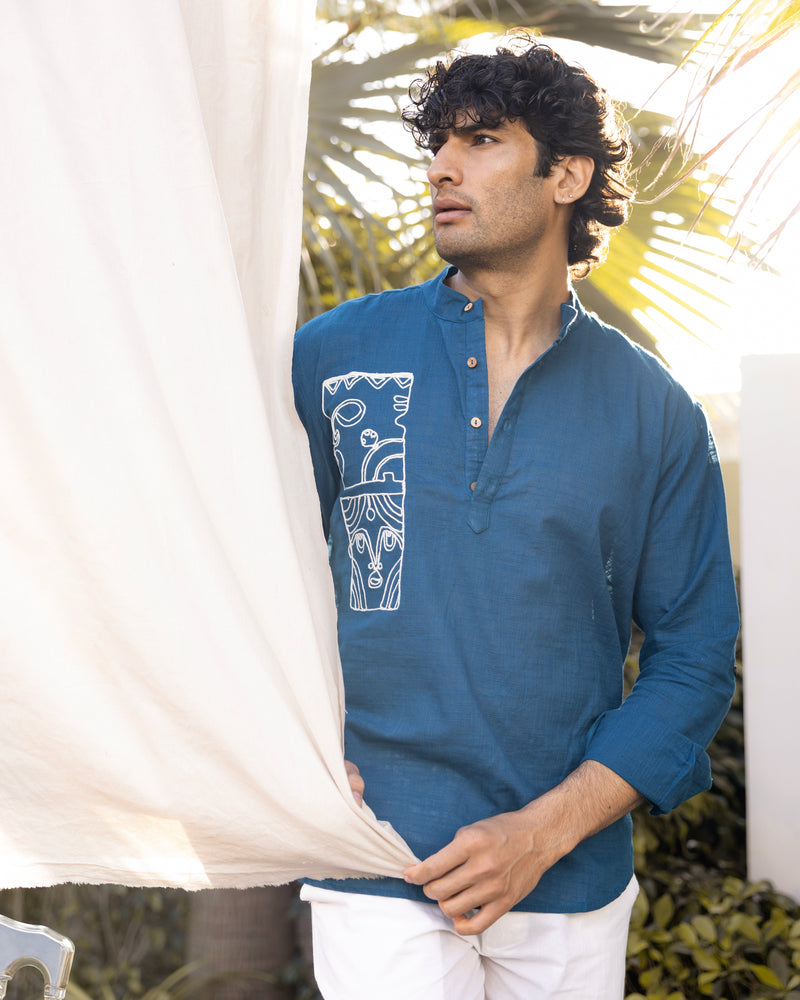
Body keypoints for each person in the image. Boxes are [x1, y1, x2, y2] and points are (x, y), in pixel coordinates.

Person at [292, 37, 739, 1000]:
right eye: (439, 144)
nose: (444, 167)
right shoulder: (328, 359)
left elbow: (695, 657)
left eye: (484, 140)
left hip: (569, 882)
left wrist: (542, 833)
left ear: (565, 175)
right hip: (377, 858)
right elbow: (241, 571)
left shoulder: (655, 410)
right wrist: (284, 739)